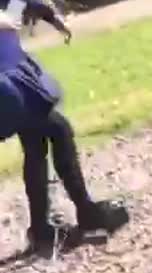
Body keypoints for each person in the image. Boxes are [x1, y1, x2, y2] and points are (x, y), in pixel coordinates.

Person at [0, 0, 129, 254]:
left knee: (37, 146)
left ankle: (42, 231)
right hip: (6, 85)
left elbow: (19, 3)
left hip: (13, 73)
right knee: (59, 130)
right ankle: (87, 213)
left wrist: (50, 16)